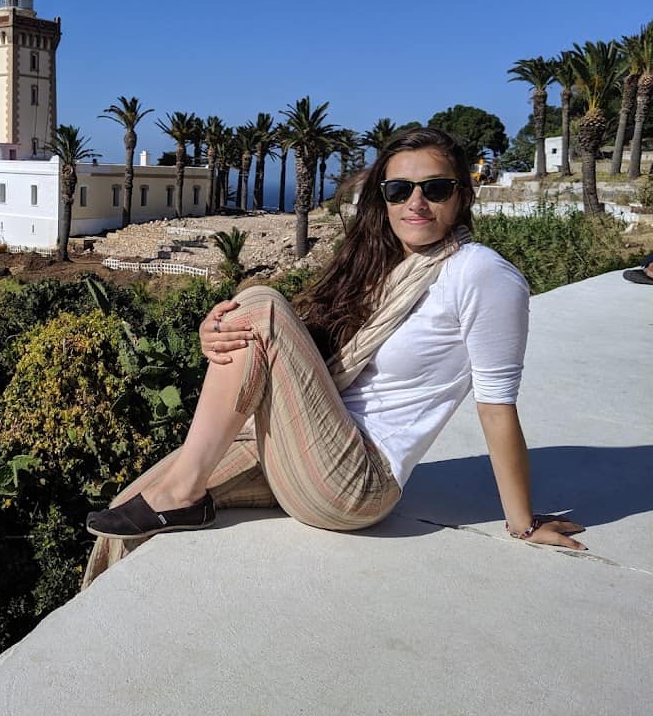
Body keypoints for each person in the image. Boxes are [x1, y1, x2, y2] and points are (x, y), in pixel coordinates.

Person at [83, 127, 585, 586]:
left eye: (435, 188)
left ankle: (184, 493)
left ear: (463, 194)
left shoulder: (482, 274)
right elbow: (297, 351)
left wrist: (523, 524)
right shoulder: (382, 264)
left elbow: (497, 406)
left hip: (357, 480)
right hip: (307, 444)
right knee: (127, 510)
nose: (416, 202)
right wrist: (214, 334)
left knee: (261, 304)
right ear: (382, 198)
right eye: (398, 190)